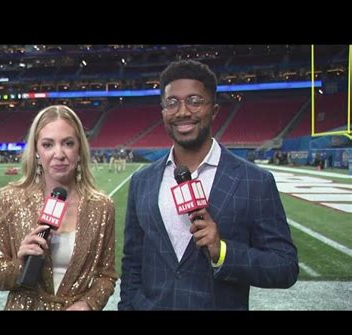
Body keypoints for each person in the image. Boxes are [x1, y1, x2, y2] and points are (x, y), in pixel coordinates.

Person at [118, 60, 299, 310]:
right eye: (172, 102)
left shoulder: (254, 181)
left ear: (213, 110)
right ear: (162, 112)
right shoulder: (142, 181)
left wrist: (222, 252)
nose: (182, 111)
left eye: (194, 100)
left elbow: (285, 267)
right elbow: (132, 262)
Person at [0, 105, 117, 310]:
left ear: (80, 150)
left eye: (68, 143)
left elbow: (106, 275)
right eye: (48, 145)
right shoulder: (11, 198)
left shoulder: (102, 206)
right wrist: (20, 264)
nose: (59, 154)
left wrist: (88, 304)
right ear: (36, 151)